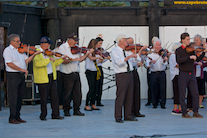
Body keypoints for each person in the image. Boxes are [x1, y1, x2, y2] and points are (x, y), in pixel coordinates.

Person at [3, 34, 41, 124]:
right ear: (12, 42)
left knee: (20, 97)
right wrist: (21, 69)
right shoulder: (8, 51)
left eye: (19, 41)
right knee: (14, 97)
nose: (19, 43)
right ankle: (12, 117)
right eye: (17, 41)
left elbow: (26, 61)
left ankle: (17, 116)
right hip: (13, 75)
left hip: (21, 75)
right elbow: (9, 64)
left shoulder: (20, 51)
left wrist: (34, 54)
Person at [58, 34, 94, 116]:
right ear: (69, 39)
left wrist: (87, 54)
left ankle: (76, 110)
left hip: (76, 72)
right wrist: (72, 60)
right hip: (67, 73)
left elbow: (80, 60)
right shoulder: (62, 47)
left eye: (77, 41)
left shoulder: (77, 48)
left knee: (77, 93)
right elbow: (61, 61)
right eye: (75, 40)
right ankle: (66, 110)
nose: (76, 42)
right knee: (67, 93)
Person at [33, 36, 66, 121]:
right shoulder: (37, 52)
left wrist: (62, 59)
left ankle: (55, 114)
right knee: (44, 98)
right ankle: (43, 115)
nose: (49, 46)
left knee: (55, 97)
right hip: (42, 78)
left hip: (51, 76)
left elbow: (55, 63)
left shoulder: (49, 53)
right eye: (48, 44)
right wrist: (48, 60)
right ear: (43, 44)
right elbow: (37, 64)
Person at [176, 32, 207, 118]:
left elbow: (197, 59)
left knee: (195, 93)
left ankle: (195, 111)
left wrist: (204, 53)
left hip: (191, 74)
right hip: (183, 74)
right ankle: (184, 113)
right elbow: (179, 60)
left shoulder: (191, 49)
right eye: (187, 39)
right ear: (182, 40)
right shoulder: (179, 50)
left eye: (189, 39)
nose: (189, 41)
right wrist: (189, 57)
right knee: (182, 94)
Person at [111, 34, 138, 123]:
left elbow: (133, 62)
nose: (127, 42)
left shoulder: (126, 51)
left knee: (129, 96)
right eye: (126, 40)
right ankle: (118, 116)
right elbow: (119, 62)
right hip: (121, 74)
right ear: (121, 41)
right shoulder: (115, 51)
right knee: (121, 96)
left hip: (129, 73)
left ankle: (128, 115)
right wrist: (129, 57)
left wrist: (137, 55)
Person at [126, 37, 146, 117]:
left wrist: (142, 56)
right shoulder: (126, 52)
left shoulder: (135, 51)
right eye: (130, 43)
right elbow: (131, 63)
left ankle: (136, 111)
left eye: (133, 43)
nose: (132, 45)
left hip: (135, 72)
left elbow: (138, 60)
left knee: (137, 91)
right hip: (129, 72)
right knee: (130, 93)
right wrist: (140, 51)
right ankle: (130, 111)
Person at [146, 39, 168, 109]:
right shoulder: (150, 55)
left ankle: (163, 103)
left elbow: (165, 63)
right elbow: (147, 65)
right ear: (154, 46)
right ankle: (154, 103)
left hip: (162, 73)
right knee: (153, 88)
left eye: (160, 45)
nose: (160, 47)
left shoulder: (163, 54)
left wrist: (164, 59)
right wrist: (150, 62)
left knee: (162, 88)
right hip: (153, 73)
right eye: (158, 45)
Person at [84, 39, 103, 111]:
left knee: (96, 88)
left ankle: (93, 103)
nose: (98, 45)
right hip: (89, 71)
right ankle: (86, 104)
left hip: (95, 70)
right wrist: (98, 57)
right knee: (91, 88)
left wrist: (102, 59)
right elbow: (91, 58)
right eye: (96, 44)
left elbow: (97, 62)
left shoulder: (97, 51)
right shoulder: (88, 51)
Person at [95, 37, 110, 106]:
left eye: (101, 43)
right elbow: (95, 61)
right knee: (95, 85)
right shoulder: (93, 51)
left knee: (100, 84)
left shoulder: (101, 50)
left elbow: (102, 61)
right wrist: (101, 60)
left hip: (100, 68)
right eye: (99, 43)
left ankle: (98, 101)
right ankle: (92, 101)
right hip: (95, 68)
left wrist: (106, 58)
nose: (100, 45)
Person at [145, 36, 158, 106]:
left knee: (157, 86)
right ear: (152, 42)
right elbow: (145, 56)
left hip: (156, 70)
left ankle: (157, 100)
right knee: (150, 85)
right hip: (150, 69)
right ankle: (149, 100)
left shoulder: (159, 50)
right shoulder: (148, 49)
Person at [169, 42, 182, 115]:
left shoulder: (176, 55)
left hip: (179, 75)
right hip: (176, 75)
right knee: (177, 92)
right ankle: (175, 108)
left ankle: (180, 108)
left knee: (180, 92)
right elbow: (177, 65)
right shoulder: (173, 56)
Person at [53, 38, 64, 109]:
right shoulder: (54, 51)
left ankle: (65, 103)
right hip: (58, 70)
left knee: (64, 88)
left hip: (64, 70)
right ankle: (60, 103)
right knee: (59, 88)